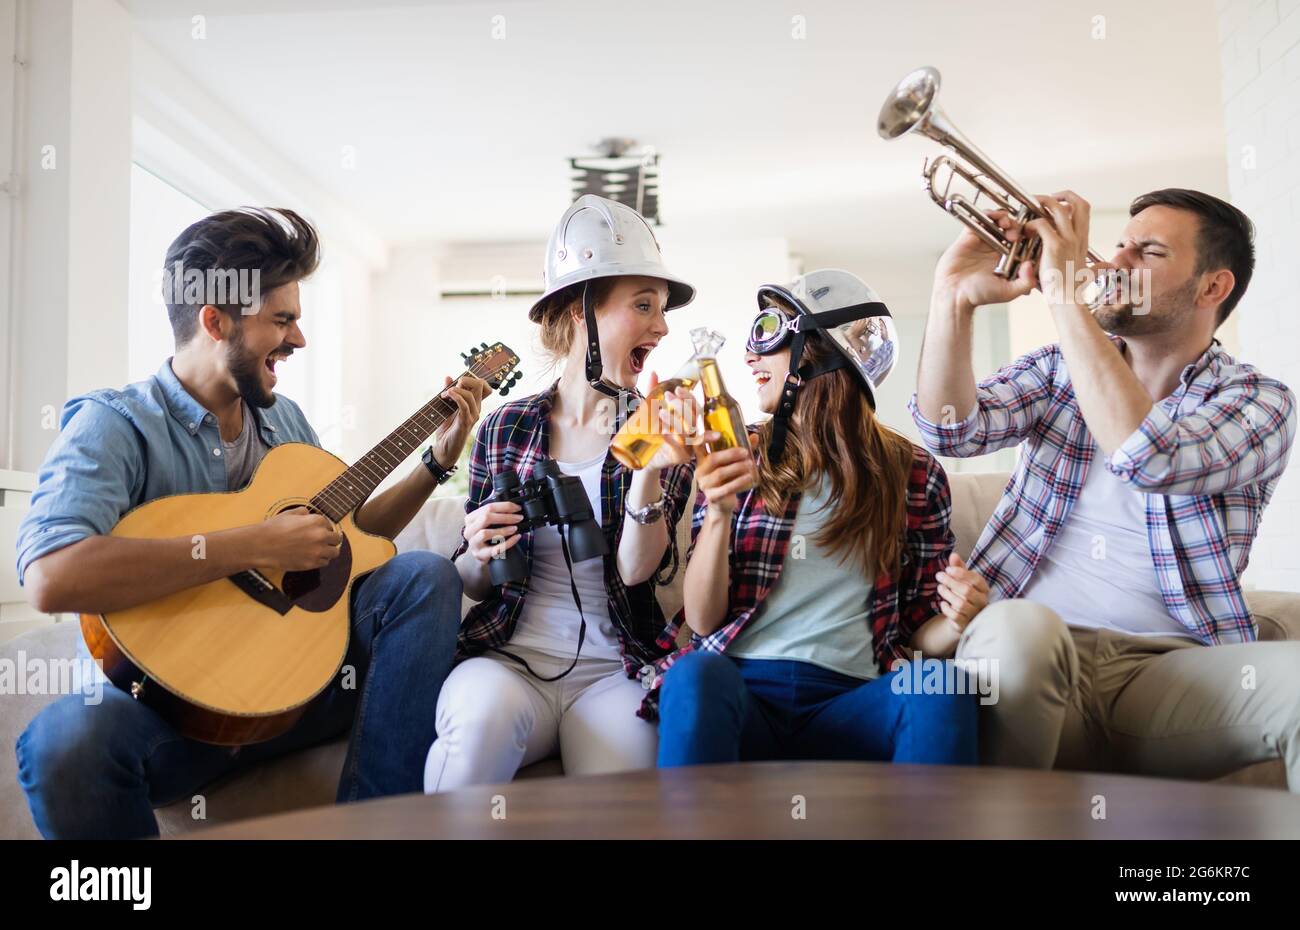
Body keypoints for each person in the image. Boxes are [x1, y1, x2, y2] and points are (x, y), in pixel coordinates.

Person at [15, 208, 485, 838]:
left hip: (301, 693)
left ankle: (375, 829)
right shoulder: (114, 425)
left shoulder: (284, 423)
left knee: (424, 575)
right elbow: (51, 576)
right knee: (62, 743)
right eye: (283, 320)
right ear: (216, 321)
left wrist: (436, 460)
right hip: (167, 716)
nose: (298, 340)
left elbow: (355, 536)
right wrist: (252, 544)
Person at [912, 188, 1300, 789]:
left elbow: (1149, 454)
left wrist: (1065, 298)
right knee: (1021, 626)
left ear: (1212, 288)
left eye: (1146, 252)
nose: (1115, 263)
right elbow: (949, 429)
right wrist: (951, 298)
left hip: (1170, 679)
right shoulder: (1056, 369)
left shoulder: (1258, 402)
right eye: (1120, 244)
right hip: (1034, 655)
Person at [649, 269, 984, 767]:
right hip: (744, 692)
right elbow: (702, 621)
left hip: (853, 702)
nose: (749, 355)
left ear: (819, 352)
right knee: (694, 674)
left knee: (942, 685)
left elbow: (918, 631)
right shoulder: (740, 451)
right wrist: (718, 513)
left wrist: (958, 621)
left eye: (768, 332)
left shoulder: (912, 472)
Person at [424, 195, 698, 791]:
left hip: (613, 669)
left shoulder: (658, 425)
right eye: (644, 305)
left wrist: (648, 463)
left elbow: (635, 570)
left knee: (622, 793)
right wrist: (476, 546)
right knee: (474, 731)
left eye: (662, 308)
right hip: (509, 661)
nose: (663, 324)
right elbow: (474, 582)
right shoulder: (506, 426)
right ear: (582, 311)